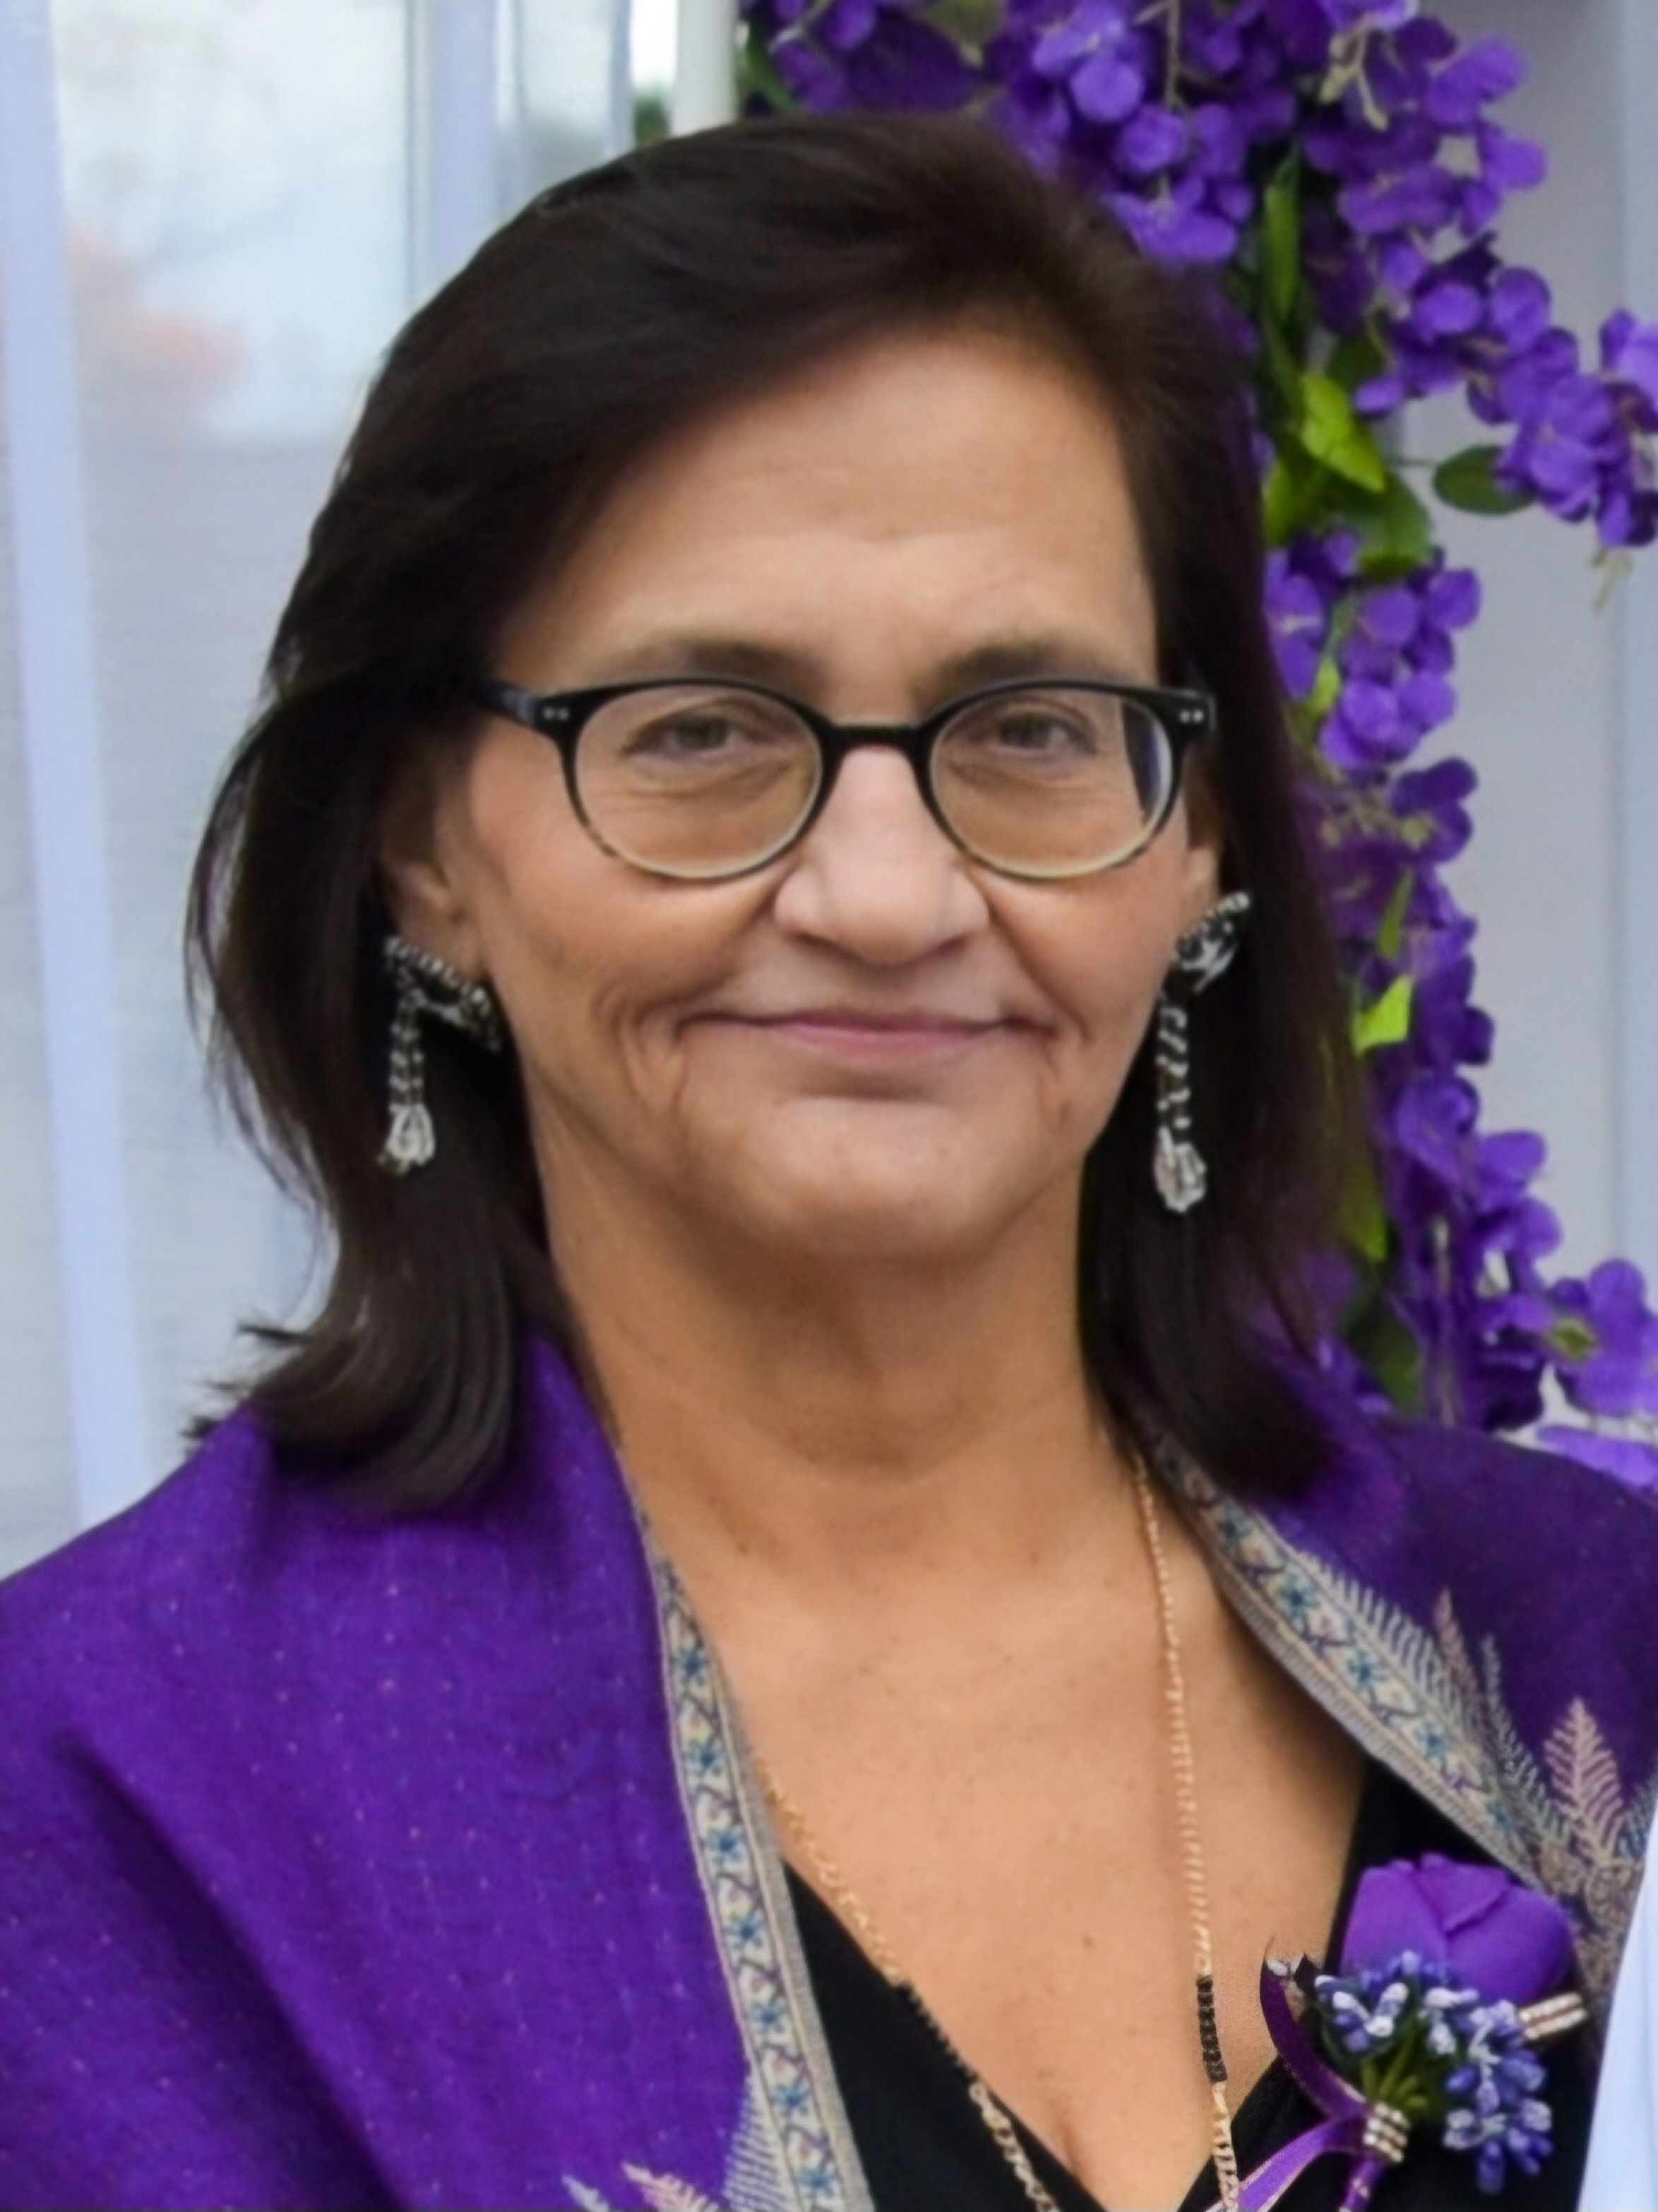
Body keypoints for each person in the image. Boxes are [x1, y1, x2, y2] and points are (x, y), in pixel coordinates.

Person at [1, 113, 1655, 2212]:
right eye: (699, 729)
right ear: (426, 850)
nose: (886, 895)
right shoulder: (118, 1796)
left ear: (1197, 839)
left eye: (1030, 727)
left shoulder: (1592, 1646)